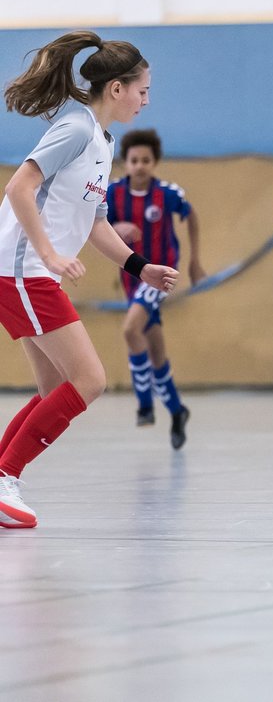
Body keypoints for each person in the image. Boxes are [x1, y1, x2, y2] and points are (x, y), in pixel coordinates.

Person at [0, 31, 178, 529]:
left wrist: (139, 266)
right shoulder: (76, 128)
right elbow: (20, 186)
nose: (147, 99)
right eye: (142, 90)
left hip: (28, 271)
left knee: (55, 383)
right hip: (22, 270)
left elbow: (96, 224)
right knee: (90, 380)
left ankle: (1, 472)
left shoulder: (103, 140)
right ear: (116, 88)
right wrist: (50, 251)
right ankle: (5, 474)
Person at [107, 128, 205, 448]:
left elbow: (191, 218)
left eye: (146, 160)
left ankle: (145, 404)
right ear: (126, 162)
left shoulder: (167, 194)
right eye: (134, 160)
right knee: (156, 351)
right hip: (130, 278)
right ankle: (178, 411)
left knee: (129, 330)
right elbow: (94, 224)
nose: (140, 166)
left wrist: (194, 261)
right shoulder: (112, 194)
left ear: (155, 162)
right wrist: (116, 227)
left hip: (160, 275)